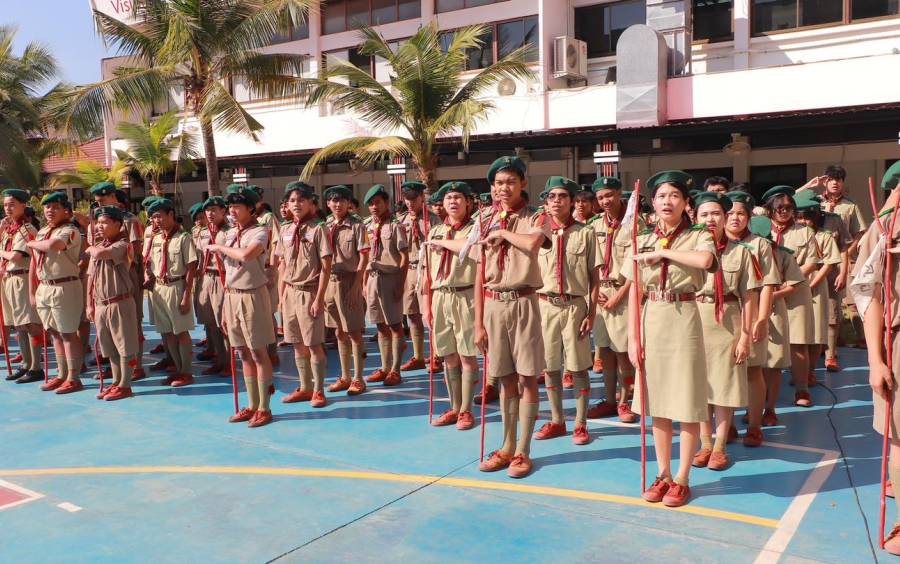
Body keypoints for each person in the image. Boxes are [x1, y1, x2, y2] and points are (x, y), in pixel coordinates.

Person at [625, 170, 716, 507]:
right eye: (661, 196)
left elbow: (705, 261)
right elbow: (635, 288)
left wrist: (665, 254)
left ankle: (682, 478)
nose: (667, 201)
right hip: (652, 317)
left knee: (687, 401)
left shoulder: (698, 235)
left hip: (684, 317)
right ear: (653, 202)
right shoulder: (641, 238)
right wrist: (633, 338)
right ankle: (663, 473)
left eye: (674, 196)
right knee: (658, 402)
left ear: (686, 202)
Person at [475, 156, 549, 479]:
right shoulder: (485, 219)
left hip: (523, 302)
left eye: (510, 182)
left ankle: (523, 451)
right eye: (498, 183)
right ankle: (506, 446)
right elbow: (479, 273)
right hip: (494, 305)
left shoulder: (537, 216)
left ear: (523, 184)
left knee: (527, 377)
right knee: (504, 377)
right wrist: (478, 323)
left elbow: (533, 244)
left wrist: (504, 234)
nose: (504, 188)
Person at [689, 192, 760, 471]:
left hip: (727, 321)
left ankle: (719, 448)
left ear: (725, 217)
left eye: (716, 213)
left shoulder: (741, 252)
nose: (710, 219)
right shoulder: (689, 249)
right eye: (704, 214)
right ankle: (705, 443)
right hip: (694, 318)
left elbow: (749, 296)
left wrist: (745, 335)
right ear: (695, 217)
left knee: (724, 386)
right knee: (699, 386)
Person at [852, 160, 900, 555]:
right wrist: (875, 359)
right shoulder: (886, 229)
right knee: (899, 434)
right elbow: (867, 293)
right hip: (899, 341)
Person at [532, 176, 598, 446]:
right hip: (545, 306)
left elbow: (594, 277)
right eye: (551, 197)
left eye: (562, 196)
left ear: (572, 201)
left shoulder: (586, 233)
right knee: (550, 367)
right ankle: (557, 420)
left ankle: (581, 423)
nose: (556, 201)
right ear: (546, 203)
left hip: (574, 306)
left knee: (579, 367)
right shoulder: (537, 233)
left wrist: (591, 314)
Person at [208, 185, 276, 427]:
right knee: (242, 353)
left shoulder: (260, 231)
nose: (232, 211)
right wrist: (225, 307)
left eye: (237, 207)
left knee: (258, 352)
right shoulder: (229, 234)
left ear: (250, 209)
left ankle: (265, 408)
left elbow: (247, 255)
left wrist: (219, 247)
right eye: (230, 207)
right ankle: (252, 404)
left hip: (252, 295)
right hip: (232, 295)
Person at [724, 192, 780, 447]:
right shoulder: (714, 243)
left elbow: (768, 284)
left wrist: (762, 319)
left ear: (749, 217)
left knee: (753, 371)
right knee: (725, 372)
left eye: (741, 213)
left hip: (751, 313)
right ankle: (728, 425)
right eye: (730, 213)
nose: (735, 218)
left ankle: (755, 426)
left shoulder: (760, 245)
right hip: (725, 317)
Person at [424, 181, 479, 430]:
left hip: (465, 295)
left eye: (458, 197)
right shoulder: (435, 231)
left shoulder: (475, 228)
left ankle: (467, 410)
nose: (453, 202)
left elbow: (470, 248)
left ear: (468, 202)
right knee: (448, 355)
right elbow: (427, 273)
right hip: (440, 296)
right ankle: (454, 407)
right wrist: (427, 306)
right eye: (448, 198)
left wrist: (445, 244)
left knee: (467, 355)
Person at [800, 165, 869, 355]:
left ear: (843, 182)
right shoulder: (813, 202)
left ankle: (846, 343)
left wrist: (844, 256)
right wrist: (808, 186)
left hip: (843, 260)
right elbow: (790, 202)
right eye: (831, 179)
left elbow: (858, 233)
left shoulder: (850, 205)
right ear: (825, 182)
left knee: (843, 302)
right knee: (814, 303)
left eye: (838, 179)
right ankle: (821, 345)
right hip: (815, 261)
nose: (835, 183)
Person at [275, 181, 333, 407]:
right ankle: (305, 387)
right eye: (292, 200)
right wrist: (281, 297)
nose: (296, 204)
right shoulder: (286, 230)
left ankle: (319, 390)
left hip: (310, 292)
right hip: (290, 292)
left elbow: (326, 267)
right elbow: (282, 265)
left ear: (310, 203)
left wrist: (319, 298)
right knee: (296, 343)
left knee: (314, 344)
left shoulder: (319, 229)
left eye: (301, 200)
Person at [587, 176, 638, 423]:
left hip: (623, 294)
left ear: (619, 193)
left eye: (609, 195)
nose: (605, 201)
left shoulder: (634, 223)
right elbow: (589, 262)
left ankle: (625, 401)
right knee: (605, 350)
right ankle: (609, 399)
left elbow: (636, 265)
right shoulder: (594, 225)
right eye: (600, 198)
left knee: (622, 353)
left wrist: (620, 294)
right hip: (600, 295)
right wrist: (594, 291)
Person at [762, 185, 818, 407]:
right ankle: (764, 395)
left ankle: (802, 389)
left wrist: (788, 281)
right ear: (769, 209)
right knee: (766, 342)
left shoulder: (805, 232)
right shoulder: (759, 229)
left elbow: (812, 262)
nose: (784, 211)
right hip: (766, 293)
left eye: (789, 207)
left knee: (798, 342)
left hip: (796, 292)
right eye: (779, 207)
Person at [28, 192, 85, 394]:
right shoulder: (43, 231)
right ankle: (61, 374)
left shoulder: (69, 230)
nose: (50, 211)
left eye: (55, 207)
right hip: (45, 286)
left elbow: (54, 246)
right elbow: (34, 263)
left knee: (68, 333)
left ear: (66, 211)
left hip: (65, 286)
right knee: (54, 332)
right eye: (47, 207)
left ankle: (74, 377)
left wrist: (32, 243)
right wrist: (32, 291)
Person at [85, 206, 141, 401]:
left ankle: (125, 385)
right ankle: (116, 382)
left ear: (118, 224)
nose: (99, 226)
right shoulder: (100, 246)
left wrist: (91, 248)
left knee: (125, 346)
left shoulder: (123, 244)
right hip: (101, 304)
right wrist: (89, 304)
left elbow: (102, 254)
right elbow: (91, 278)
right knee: (109, 348)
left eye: (104, 222)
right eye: (98, 223)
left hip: (120, 301)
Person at [144, 197, 198, 388]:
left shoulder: (183, 238)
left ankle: (186, 372)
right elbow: (150, 263)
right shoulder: (156, 239)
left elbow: (191, 268)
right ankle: (176, 368)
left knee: (181, 332)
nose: (156, 220)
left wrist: (186, 297)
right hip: (159, 288)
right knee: (167, 333)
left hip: (177, 286)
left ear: (171, 214)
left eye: (159, 216)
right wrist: (149, 277)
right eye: (153, 217)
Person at [321, 185, 370, 396]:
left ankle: (359, 378)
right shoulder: (325, 226)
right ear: (328, 204)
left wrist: (357, 285)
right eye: (334, 200)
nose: (338, 204)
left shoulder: (357, 226)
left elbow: (364, 257)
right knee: (339, 332)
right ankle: (345, 376)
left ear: (349, 203)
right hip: (330, 282)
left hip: (349, 280)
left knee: (354, 331)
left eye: (342, 200)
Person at [363, 184, 409, 387]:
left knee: (395, 325)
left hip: (390, 278)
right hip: (373, 278)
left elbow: (404, 257)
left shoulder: (395, 226)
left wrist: (400, 284)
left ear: (386, 203)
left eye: (377, 203)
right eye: (371, 204)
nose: (374, 207)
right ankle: (385, 366)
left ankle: (395, 370)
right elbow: (365, 256)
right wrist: (364, 284)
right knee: (380, 325)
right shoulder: (367, 226)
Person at [795, 197, 841, 387]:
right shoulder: (792, 235)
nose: (803, 221)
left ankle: (810, 371)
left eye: (807, 217)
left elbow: (829, 264)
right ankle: (798, 371)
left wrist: (813, 284)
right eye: (799, 217)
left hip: (816, 284)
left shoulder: (824, 236)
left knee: (815, 332)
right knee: (796, 332)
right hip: (793, 285)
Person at [396, 181, 441, 372]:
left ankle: (436, 355)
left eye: (413, 199)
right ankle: (418, 356)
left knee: (429, 315)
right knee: (411, 313)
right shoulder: (401, 220)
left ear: (422, 198)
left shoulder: (434, 220)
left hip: (426, 268)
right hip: (409, 270)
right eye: (407, 199)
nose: (409, 202)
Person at [0, 189, 43, 384]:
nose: (7, 208)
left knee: (30, 323)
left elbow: (16, 256)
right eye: (5, 205)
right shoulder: (9, 229)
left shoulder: (26, 229)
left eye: (12, 204)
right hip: (9, 278)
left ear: (23, 205)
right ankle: (26, 363)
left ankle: (36, 367)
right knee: (18, 324)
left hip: (22, 278)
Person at [195, 196, 230, 376]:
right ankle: (219, 358)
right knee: (210, 323)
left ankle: (229, 363)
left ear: (223, 211)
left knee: (224, 322)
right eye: (207, 210)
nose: (210, 213)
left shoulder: (229, 232)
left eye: (214, 210)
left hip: (222, 277)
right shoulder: (202, 232)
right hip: (205, 278)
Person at [250, 185, 281, 368]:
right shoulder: (248, 219)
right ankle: (260, 350)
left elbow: (276, 244)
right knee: (255, 313)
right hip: (252, 271)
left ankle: (272, 351)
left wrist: (272, 269)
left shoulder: (267, 218)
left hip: (266, 268)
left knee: (268, 312)